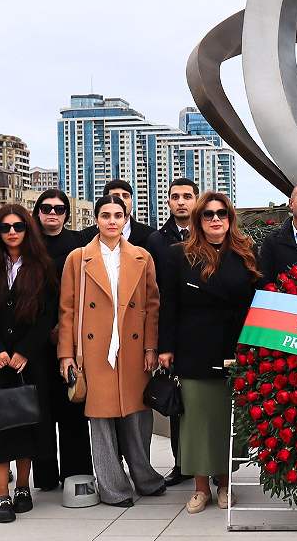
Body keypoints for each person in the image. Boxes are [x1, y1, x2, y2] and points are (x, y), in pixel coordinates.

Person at [58, 195, 165, 507]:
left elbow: (152, 306)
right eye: (106, 215)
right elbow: (66, 310)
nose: (112, 221)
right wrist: (66, 354)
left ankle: (145, 478)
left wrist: (150, 347)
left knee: (138, 417)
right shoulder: (78, 258)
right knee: (101, 421)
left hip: (132, 349)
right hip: (94, 351)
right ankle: (113, 488)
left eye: (118, 215)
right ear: (96, 220)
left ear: (125, 218)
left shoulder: (142, 256)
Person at [159, 192, 262, 512]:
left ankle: (225, 485)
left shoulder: (247, 253)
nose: (215, 219)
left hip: (234, 347)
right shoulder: (179, 255)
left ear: (230, 219)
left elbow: (256, 302)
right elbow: (169, 304)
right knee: (196, 422)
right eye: (208, 214)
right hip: (195, 348)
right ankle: (201, 488)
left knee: (225, 421)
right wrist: (166, 348)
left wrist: (254, 346)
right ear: (198, 220)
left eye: (221, 214)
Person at [0, 205, 59, 523]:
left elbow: (48, 315)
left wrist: (25, 350)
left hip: (28, 363)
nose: (12, 232)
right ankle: (1, 495)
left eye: (19, 226)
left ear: (28, 230)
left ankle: (23, 488)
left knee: (25, 426)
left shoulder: (43, 266)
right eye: (5, 227)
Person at [30, 189, 93, 490]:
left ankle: (76, 472)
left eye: (59, 208)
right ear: (38, 211)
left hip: (70, 337)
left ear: (67, 213)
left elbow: (84, 293)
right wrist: (43, 329)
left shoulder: (79, 244)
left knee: (73, 405)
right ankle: (44, 477)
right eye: (46, 208)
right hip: (34, 340)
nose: (52, 213)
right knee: (41, 409)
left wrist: (63, 327)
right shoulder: (27, 244)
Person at [144, 178, 200, 488]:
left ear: (196, 200)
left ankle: (209, 463)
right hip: (173, 329)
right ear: (167, 202)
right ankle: (182, 463)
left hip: (202, 330)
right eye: (175, 197)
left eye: (187, 196)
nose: (181, 202)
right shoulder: (155, 240)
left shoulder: (209, 233)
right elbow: (156, 293)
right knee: (178, 401)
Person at [79, 179, 157, 246]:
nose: (121, 200)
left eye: (125, 196)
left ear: (132, 202)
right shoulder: (85, 237)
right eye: (116, 196)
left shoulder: (151, 236)